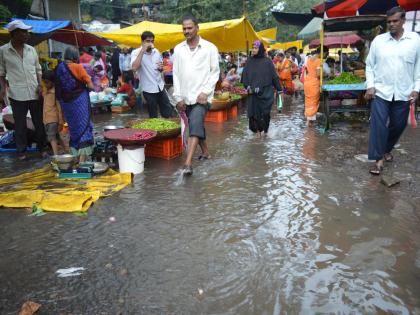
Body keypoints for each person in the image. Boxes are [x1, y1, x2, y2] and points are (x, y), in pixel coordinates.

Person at [365, 6, 420, 175]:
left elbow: (419, 67)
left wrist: (417, 89)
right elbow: (369, 65)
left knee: (399, 125)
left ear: (403, 20)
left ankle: (386, 149)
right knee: (378, 125)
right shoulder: (379, 41)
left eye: (395, 21)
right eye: (389, 22)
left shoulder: (415, 40)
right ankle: (378, 160)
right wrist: (370, 85)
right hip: (381, 91)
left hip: (404, 92)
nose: (392, 24)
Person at [173, 14, 220, 175]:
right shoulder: (178, 49)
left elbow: (215, 72)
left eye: (189, 28)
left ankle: (187, 163)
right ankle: (206, 153)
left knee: (195, 123)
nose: (186, 31)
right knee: (196, 125)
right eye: (184, 28)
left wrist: (205, 92)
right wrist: (178, 98)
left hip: (202, 98)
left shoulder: (210, 48)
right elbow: (176, 75)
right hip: (185, 97)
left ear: (197, 28)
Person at [0, 20, 47, 160]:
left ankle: (42, 148)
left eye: (27, 32)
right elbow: (1, 73)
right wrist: (2, 90)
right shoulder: (3, 51)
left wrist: (40, 85)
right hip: (16, 93)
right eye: (24, 32)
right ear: (14, 34)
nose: (27, 34)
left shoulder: (31, 50)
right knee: (19, 124)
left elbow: (38, 69)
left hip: (34, 91)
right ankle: (21, 151)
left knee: (39, 122)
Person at [55, 47, 95, 163]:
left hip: (66, 105)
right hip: (80, 103)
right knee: (84, 128)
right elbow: (91, 86)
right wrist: (89, 88)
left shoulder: (58, 68)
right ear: (75, 56)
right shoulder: (78, 67)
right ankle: (82, 161)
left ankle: (76, 158)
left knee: (74, 129)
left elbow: (58, 90)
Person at [242, 40, 282, 137]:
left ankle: (264, 134)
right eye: (253, 47)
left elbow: (274, 76)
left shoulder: (268, 61)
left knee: (265, 115)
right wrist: (247, 86)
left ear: (260, 49)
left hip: (265, 93)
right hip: (253, 94)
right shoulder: (249, 61)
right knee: (253, 116)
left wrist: (279, 90)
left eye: (256, 48)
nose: (253, 50)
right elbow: (244, 76)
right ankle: (257, 135)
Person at [131, 31, 174, 118]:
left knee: (167, 111)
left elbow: (160, 68)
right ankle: (155, 130)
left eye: (152, 41)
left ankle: (169, 129)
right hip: (148, 88)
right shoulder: (136, 52)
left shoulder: (156, 51)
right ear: (143, 42)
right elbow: (134, 68)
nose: (150, 43)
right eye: (148, 41)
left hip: (160, 86)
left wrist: (161, 68)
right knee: (153, 114)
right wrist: (142, 51)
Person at [41, 70, 69, 156]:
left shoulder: (55, 93)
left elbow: (60, 108)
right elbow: (43, 90)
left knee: (52, 138)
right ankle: (67, 152)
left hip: (52, 119)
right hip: (48, 119)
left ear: (53, 82)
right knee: (57, 137)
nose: (45, 85)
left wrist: (61, 121)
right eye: (44, 82)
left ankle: (56, 156)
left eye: (47, 83)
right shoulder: (46, 91)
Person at [304, 46, 329, 124]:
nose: (325, 56)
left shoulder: (309, 59)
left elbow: (309, 71)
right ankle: (310, 124)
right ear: (323, 52)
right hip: (314, 83)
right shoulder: (318, 60)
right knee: (313, 102)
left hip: (307, 82)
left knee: (308, 102)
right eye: (326, 54)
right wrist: (325, 74)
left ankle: (309, 121)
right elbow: (318, 74)